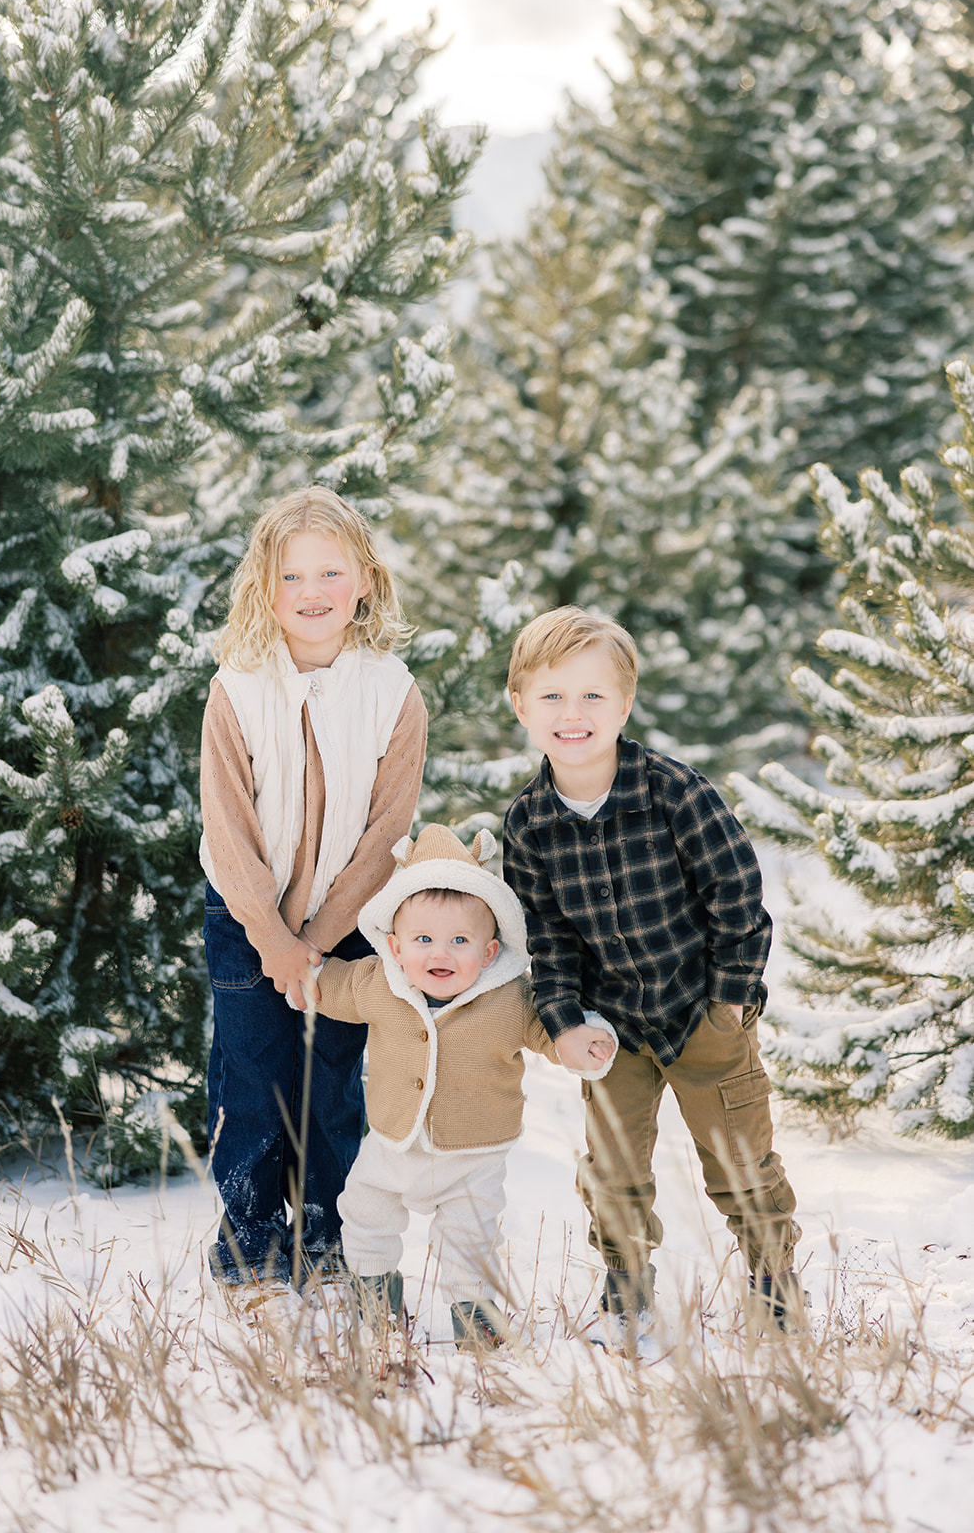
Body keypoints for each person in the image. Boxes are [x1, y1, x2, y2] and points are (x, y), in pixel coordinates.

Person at [502, 606, 803, 1336]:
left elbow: (736, 895)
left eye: (592, 696)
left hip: (702, 1012)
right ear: (519, 706)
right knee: (611, 1169)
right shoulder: (528, 823)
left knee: (739, 1161)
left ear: (624, 704)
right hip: (613, 1028)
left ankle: (771, 1283)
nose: (571, 715)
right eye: (551, 697)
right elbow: (547, 935)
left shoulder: (676, 793)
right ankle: (625, 1287)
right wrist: (565, 1020)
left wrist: (730, 1000)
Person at [199, 486, 427, 1306]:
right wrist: (272, 936)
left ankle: (330, 1236)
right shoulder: (239, 686)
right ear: (266, 588)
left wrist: (322, 939)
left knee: (332, 1084)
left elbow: (386, 832)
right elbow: (227, 825)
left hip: (352, 927)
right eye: (292, 576)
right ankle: (249, 1243)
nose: (312, 591)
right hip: (243, 917)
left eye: (330, 571)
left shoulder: (392, 690)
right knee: (253, 1079)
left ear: (363, 579)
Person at [294, 823, 617, 1348]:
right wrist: (302, 978)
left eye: (459, 941)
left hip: (474, 1150)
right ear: (396, 947)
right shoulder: (380, 982)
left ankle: (476, 1314)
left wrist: (580, 1040)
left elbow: (547, 1028)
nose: (439, 954)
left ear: (488, 953)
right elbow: (335, 986)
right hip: (393, 1141)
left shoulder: (509, 997)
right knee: (364, 1213)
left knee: (469, 1236)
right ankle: (376, 1295)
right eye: (423, 940)